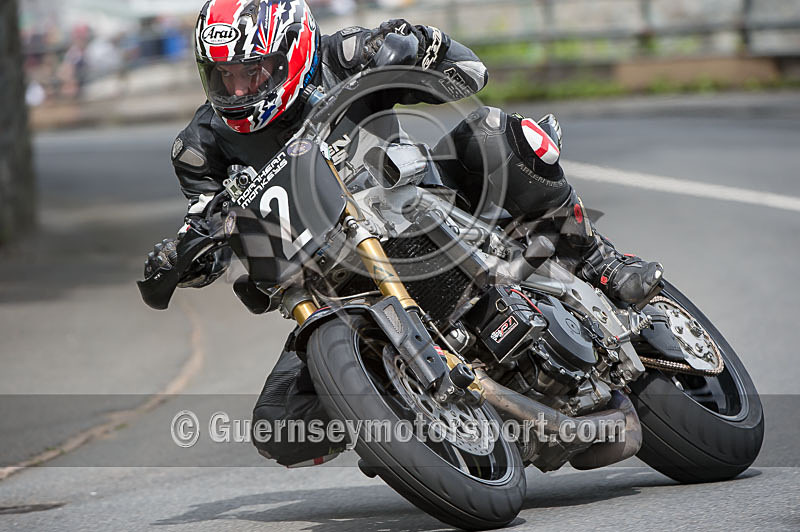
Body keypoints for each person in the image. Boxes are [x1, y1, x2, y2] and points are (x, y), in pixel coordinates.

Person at [142, 0, 663, 467]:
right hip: (332, 278)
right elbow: (209, 223)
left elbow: (469, 72)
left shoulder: (340, 55)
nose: (237, 90)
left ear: (291, 54)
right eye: (223, 77)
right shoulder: (198, 146)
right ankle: (406, 423)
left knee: (492, 135)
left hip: (422, 203)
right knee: (280, 424)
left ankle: (600, 260)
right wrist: (183, 257)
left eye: (252, 74)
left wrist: (415, 44)